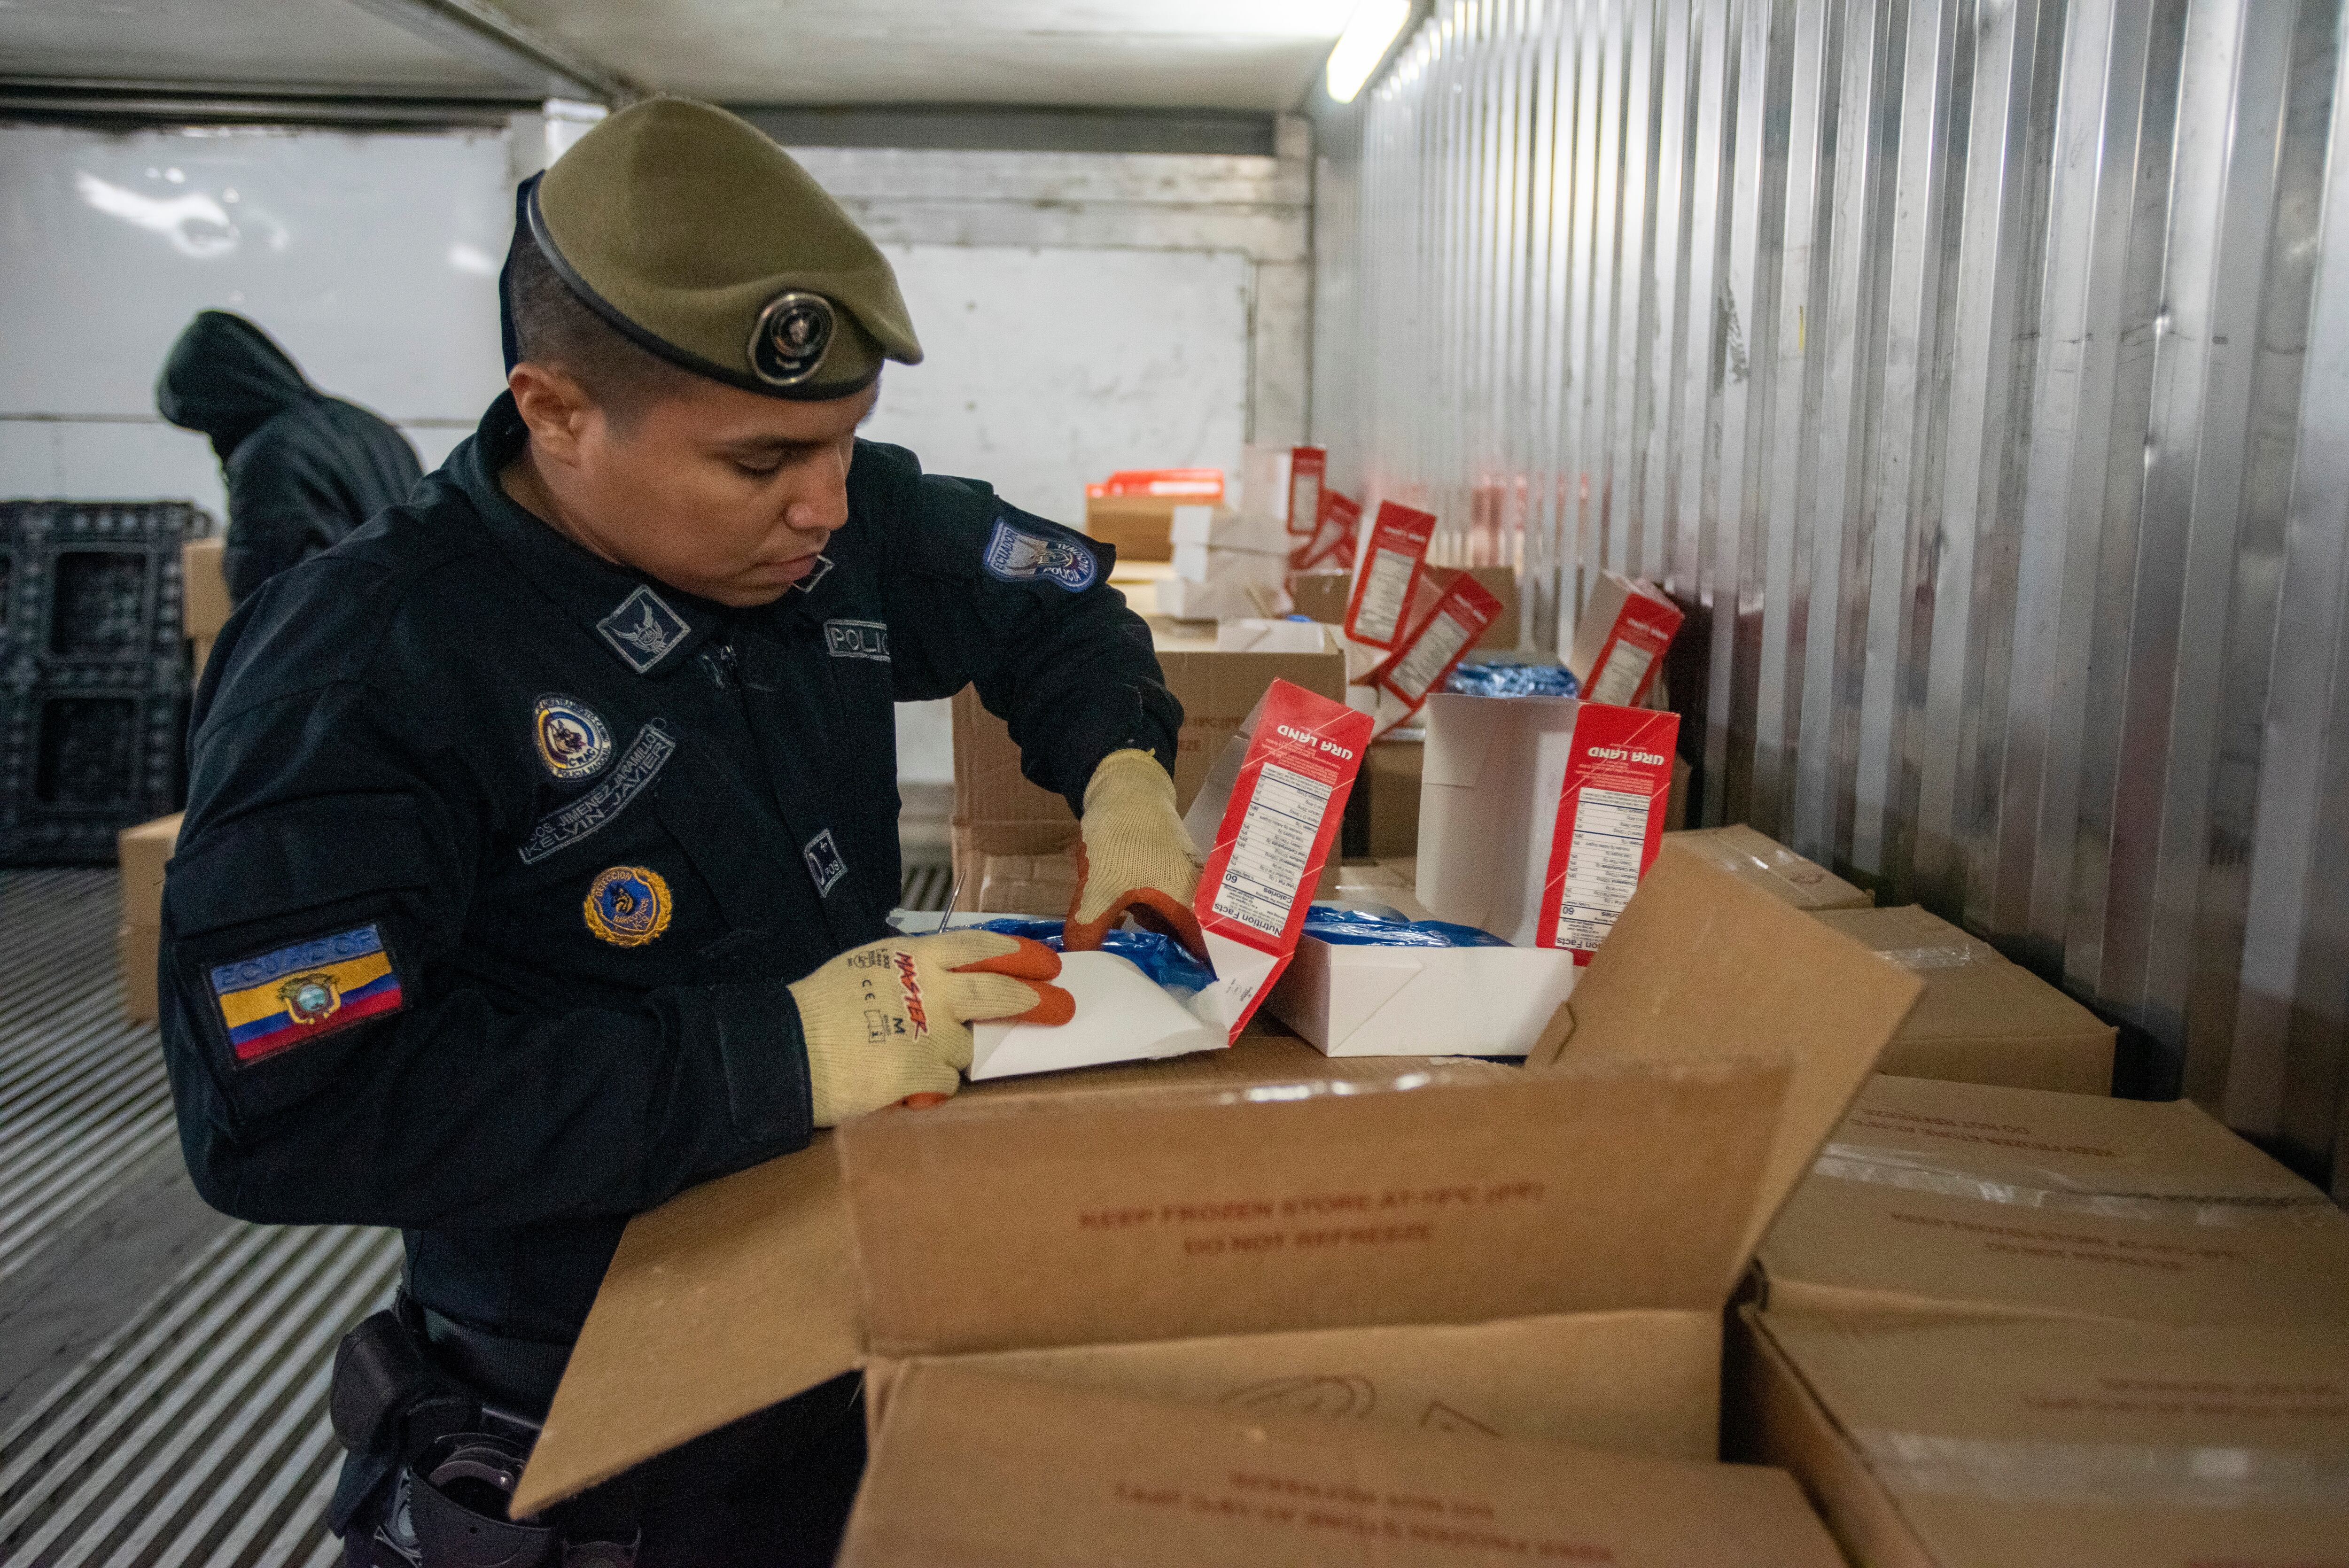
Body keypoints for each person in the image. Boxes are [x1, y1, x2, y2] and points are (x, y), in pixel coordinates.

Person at [154, 99, 1203, 1567]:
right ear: (559, 413)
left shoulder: (835, 524)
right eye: (761, 460)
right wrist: (774, 1053)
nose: (824, 506)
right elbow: (289, 1107)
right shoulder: (372, 663)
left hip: (850, 1310)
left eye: (848, 443)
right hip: (589, 1411)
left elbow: (1056, 605)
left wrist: (1123, 779)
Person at [156, 310, 424, 605]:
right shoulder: (372, 427)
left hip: (339, 642)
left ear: (218, 404)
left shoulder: (269, 458)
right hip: (412, 634)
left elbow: (269, 599)